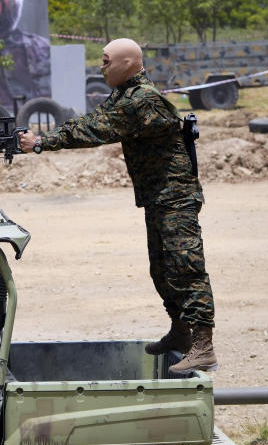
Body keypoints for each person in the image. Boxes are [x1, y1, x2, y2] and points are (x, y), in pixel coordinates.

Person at [18, 38, 217, 374]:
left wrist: (41, 142)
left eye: (107, 60)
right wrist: (44, 139)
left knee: (185, 267)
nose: (102, 66)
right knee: (162, 269)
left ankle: (203, 345)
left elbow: (95, 129)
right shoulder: (125, 95)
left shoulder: (142, 100)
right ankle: (182, 333)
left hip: (175, 196)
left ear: (128, 63)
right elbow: (93, 119)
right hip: (159, 196)